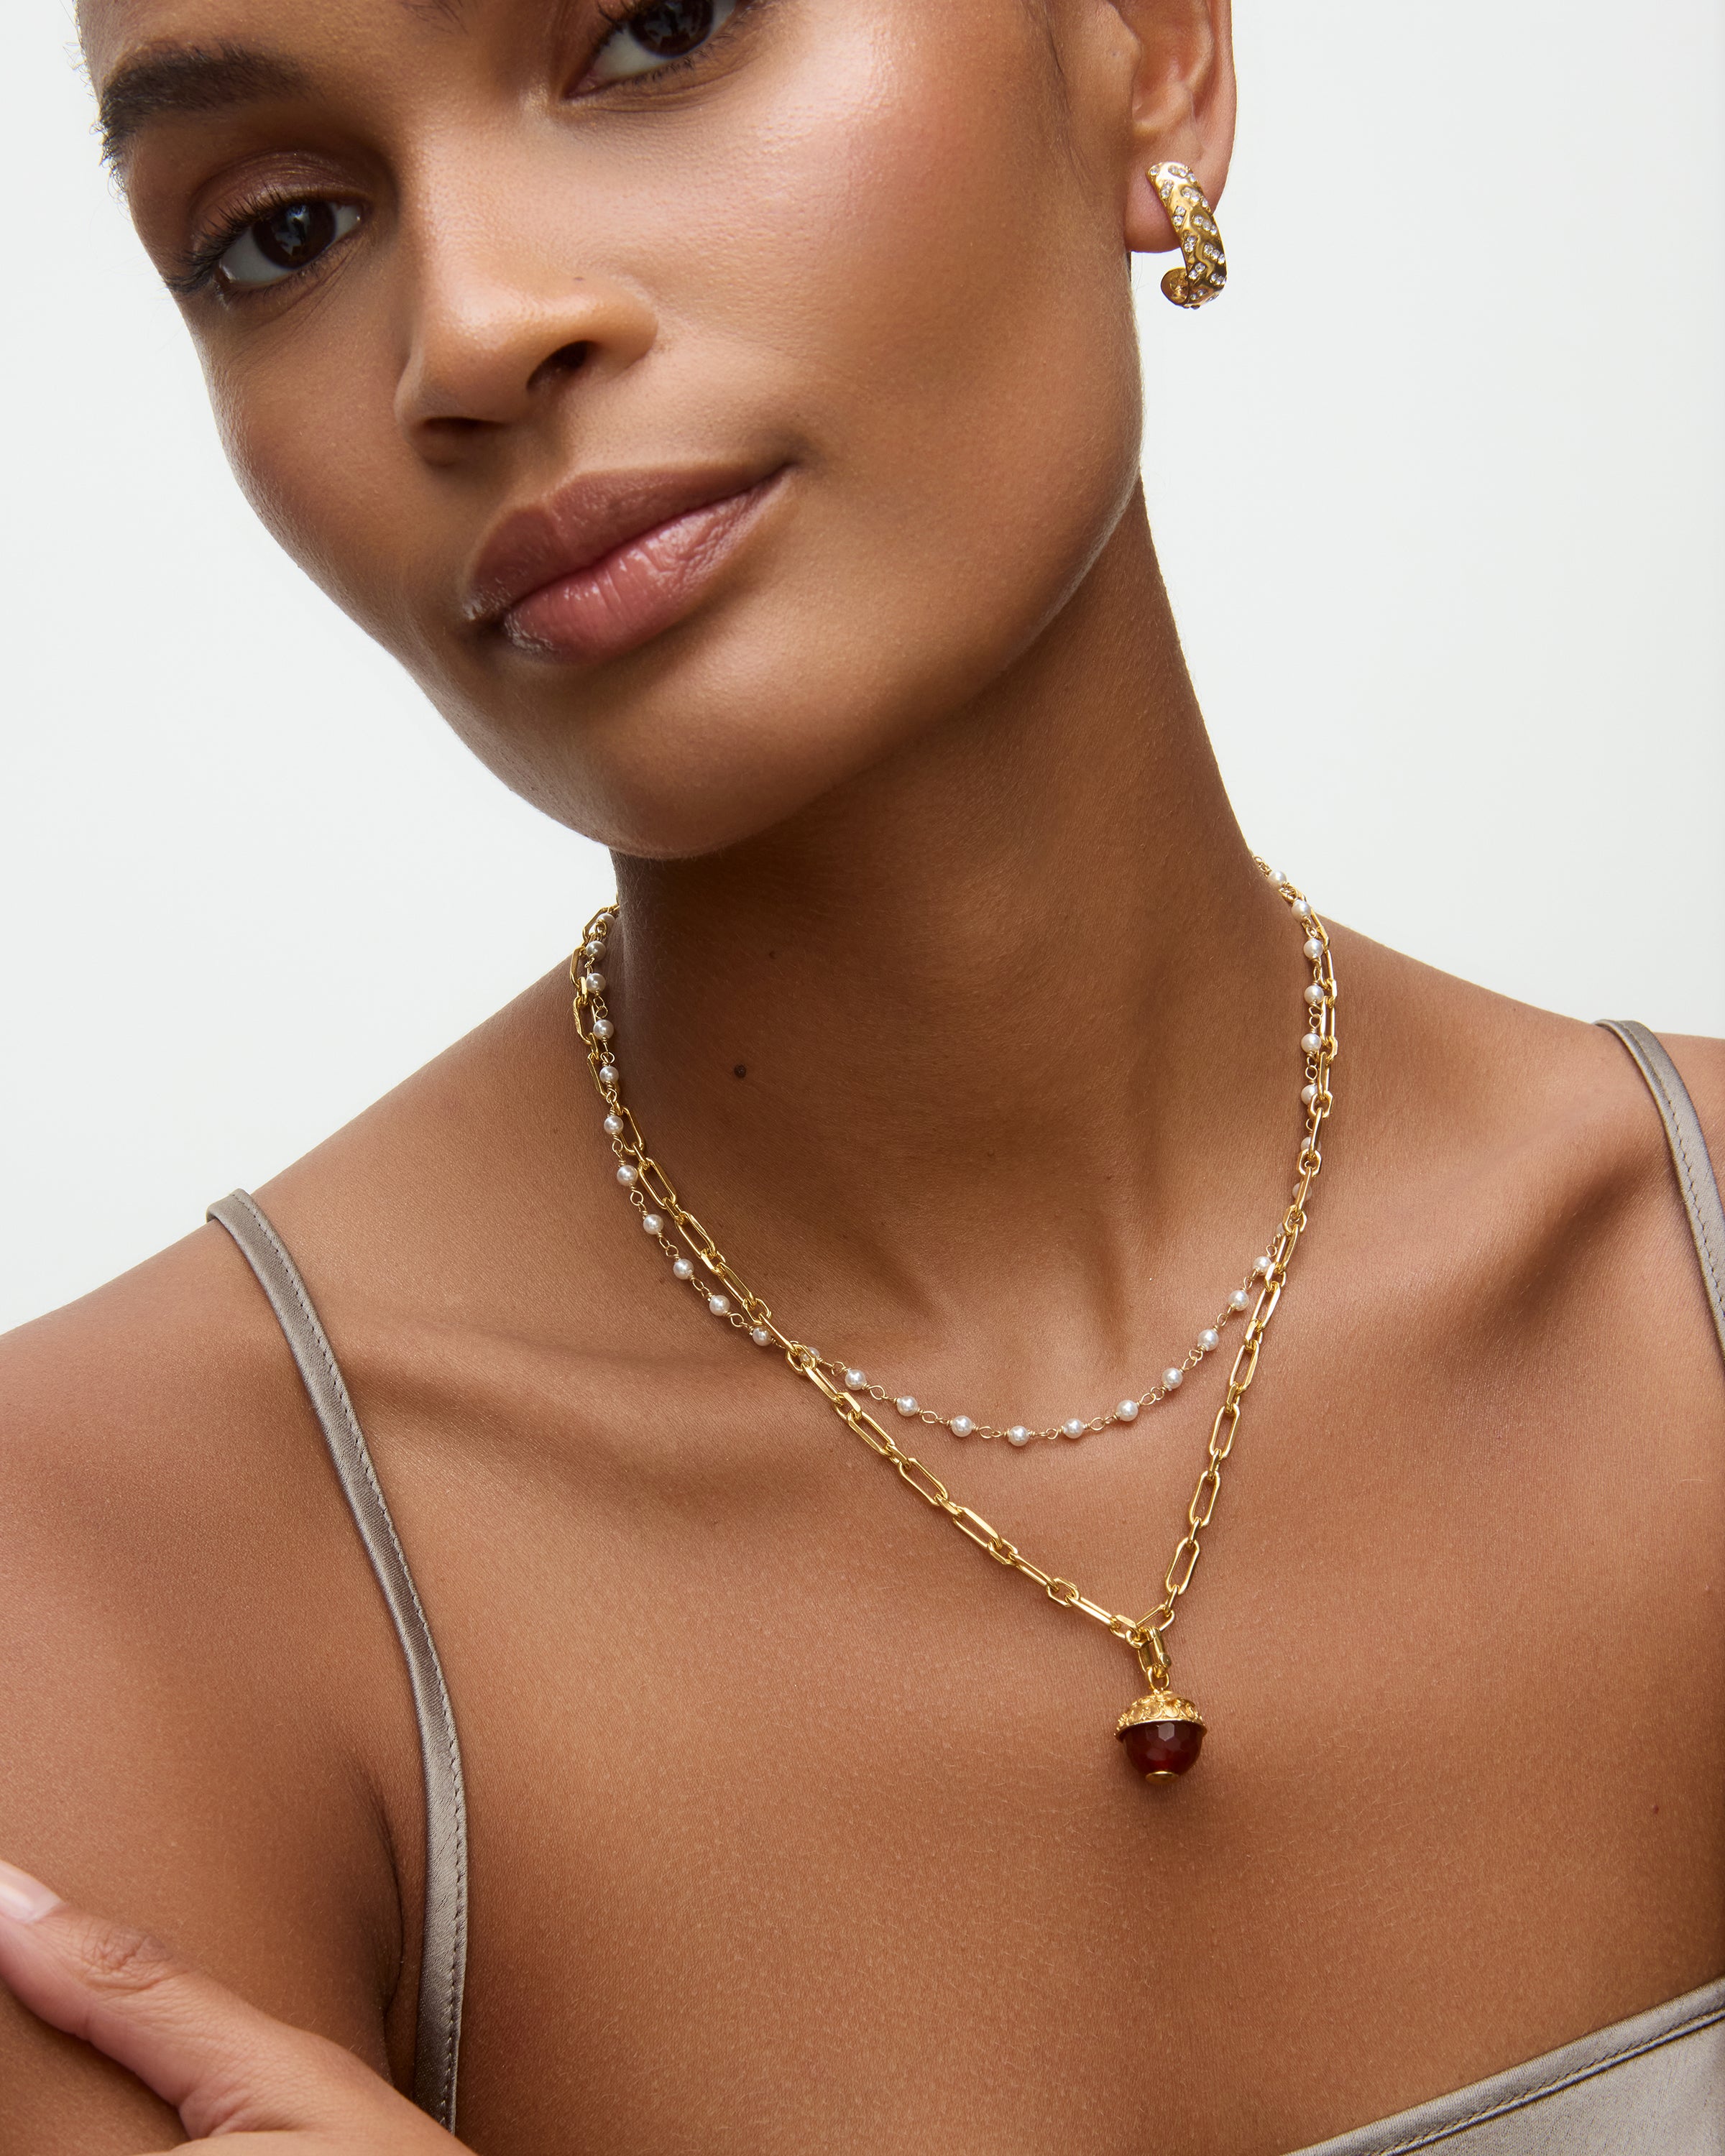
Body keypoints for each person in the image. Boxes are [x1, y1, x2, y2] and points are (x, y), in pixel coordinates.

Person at [1, 0, 1721, 2149]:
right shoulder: (94, 1580)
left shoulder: (1693, 1287)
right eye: (280, 231)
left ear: (1151, 56)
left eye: (653, 29)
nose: (471, 328)